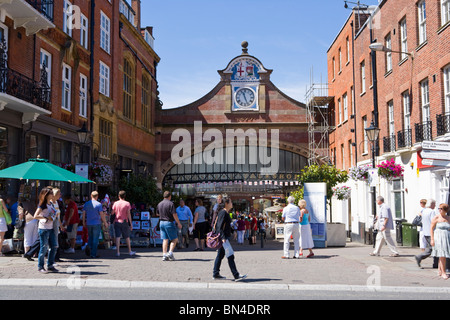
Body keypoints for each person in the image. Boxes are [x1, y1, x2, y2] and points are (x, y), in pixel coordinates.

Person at [212, 197, 246, 281]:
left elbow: (224, 226)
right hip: (223, 238)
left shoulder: (224, 212)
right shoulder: (223, 212)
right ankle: (236, 275)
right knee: (230, 256)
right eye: (230, 202)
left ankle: (216, 273)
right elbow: (219, 227)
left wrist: (232, 231)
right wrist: (223, 238)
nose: (232, 204)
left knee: (220, 256)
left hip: (224, 237)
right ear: (226, 203)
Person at [34, 187, 58, 273]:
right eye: (51, 193)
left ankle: (50, 264)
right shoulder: (42, 205)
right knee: (44, 248)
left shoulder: (51, 203)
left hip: (51, 227)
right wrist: (45, 217)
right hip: (43, 228)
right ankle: (40, 266)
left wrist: (53, 216)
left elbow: (53, 213)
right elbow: (35, 215)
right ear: (47, 195)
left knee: (54, 246)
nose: (52, 195)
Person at [156, 191, 182, 261]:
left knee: (165, 239)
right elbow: (174, 214)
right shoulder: (171, 204)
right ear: (169, 196)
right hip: (168, 222)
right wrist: (178, 223)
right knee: (175, 239)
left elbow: (157, 214)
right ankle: (170, 253)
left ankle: (164, 255)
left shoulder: (159, 204)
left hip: (161, 222)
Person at [83, 191, 108, 258]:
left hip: (89, 223)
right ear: (97, 196)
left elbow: (84, 213)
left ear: (91, 195)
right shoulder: (99, 204)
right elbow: (101, 214)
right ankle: (93, 254)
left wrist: (83, 222)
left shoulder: (86, 204)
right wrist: (105, 222)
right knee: (95, 239)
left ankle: (89, 247)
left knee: (90, 237)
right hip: (96, 223)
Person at [112, 191, 135, 257]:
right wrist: (131, 224)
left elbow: (112, 213)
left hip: (117, 221)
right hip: (125, 221)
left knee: (117, 236)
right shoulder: (127, 203)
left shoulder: (115, 203)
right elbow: (129, 214)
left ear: (119, 196)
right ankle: (129, 251)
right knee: (127, 236)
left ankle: (118, 252)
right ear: (124, 196)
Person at [415, 199, 437, 268]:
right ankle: (419, 256)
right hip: (431, 232)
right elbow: (433, 222)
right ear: (431, 204)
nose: (435, 205)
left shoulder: (424, 211)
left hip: (425, 232)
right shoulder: (431, 211)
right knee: (432, 249)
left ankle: (436, 264)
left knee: (433, 248)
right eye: (434, 204)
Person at [431, 203, 450, 280]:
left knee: (442, 255)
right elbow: (431, 228)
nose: (439, 210)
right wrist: (432, 239)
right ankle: (443, 272)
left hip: (447, 237)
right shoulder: (436, 218)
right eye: (439, 208)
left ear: (445, 210)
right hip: (439, 238)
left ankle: (440, 270)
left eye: (441, 209)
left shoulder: (448, 218)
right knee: (442, 256)